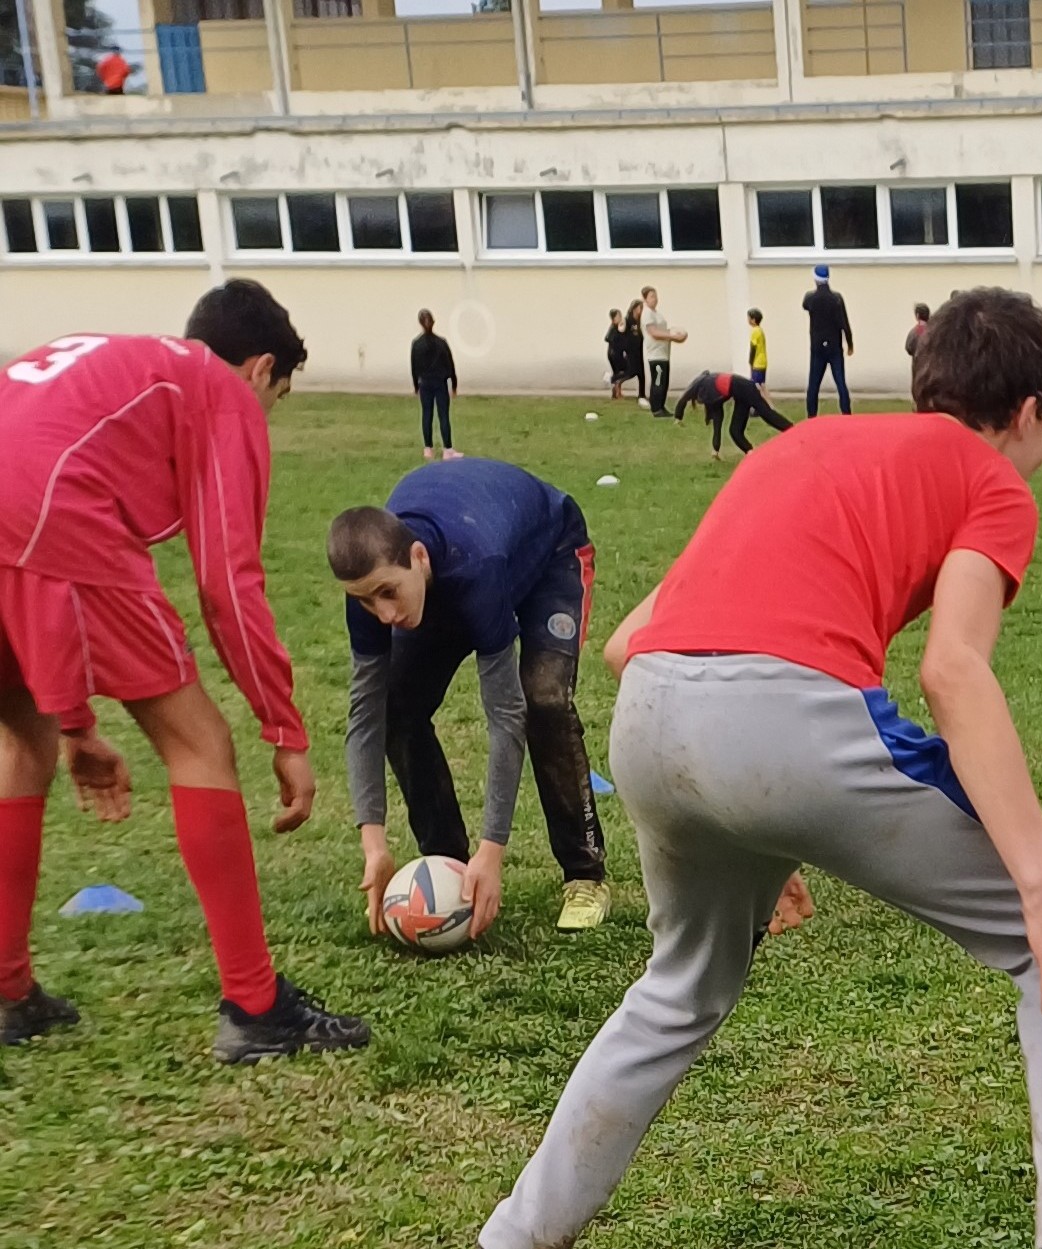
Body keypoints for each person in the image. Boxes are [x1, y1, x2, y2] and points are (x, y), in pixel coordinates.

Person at [441, 287, 1042, 1249]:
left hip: (651, 723)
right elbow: (954, 672)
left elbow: (624, 642)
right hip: (781, 721)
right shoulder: (994, 480)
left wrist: (757, 814)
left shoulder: (800, 446)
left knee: (676, 990)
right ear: (1034, 409)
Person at [0, 281, 369, 1062]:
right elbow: (225, 583)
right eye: (275, 399)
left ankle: (7, 991)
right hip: (52, 509)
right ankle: (256, 1006)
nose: (263, 419)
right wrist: (283, 726)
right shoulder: (218, 391)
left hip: (23, 496)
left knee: (20, 744)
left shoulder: (117, 358)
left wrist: (76, 722)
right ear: (260, 368)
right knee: (200, 743)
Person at [328, 459, 611, 938]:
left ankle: (584, 875)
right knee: (396, 707)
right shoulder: (373, 592)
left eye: (388, 593)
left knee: (542, 699)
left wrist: (493, 849)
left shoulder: (475, 569)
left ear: (417, 557)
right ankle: (450, 866)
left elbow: (505, 717)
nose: (384, 613)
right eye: (366, 600)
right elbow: (365, 718)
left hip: (549, 555)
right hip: (458, 567)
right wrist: (373, 844)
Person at [673, 370, 792, 460]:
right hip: (741, 394)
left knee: (767, 415)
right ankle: (752, 454)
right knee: (735, 431)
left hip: (746, 389)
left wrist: (678, 418)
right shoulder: (710, 387)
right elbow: (717, 421)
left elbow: (684, 398)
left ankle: (794, 431)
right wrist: (716, 450)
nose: (700, 403)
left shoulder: (706, 388)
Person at [802, 264, 854, 418]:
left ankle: (811, 415)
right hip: (834, 346)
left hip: (817, 346)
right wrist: (850, 343)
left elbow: (804, 305)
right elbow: (844, 322)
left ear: (816, 279)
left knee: (814, 384)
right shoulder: (836, 298)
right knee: (840, 382)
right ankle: (846, 412)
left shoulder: (810, 298)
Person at [411, 309, 460, 461]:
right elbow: (450, 365)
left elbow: (414, 367)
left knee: (427, 414)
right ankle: (448, 449)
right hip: (440, 383)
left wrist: (416, 386)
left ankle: (428, 448)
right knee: (443, 415)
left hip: (425, 383)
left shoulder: (416, 344)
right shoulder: (441, 343)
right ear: (433, 322)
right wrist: (454, 384)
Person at [639, 287, 685, 418]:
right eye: (652, 296)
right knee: (658, 381)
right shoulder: (647, 313)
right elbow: (653, 332)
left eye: (656, 296)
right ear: (645, 299)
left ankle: (661, 406)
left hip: (664, 352)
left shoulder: (656, 313)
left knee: (664, 381)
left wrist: (675, 333)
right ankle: (656, 408)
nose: (655, 299)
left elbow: (663, 330)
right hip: (656, 354)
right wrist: (672, 336)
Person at [605, 309, 636, 400]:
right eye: (618, 316)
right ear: (614, 319)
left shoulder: (620, 327)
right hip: (614, 354)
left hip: (616, 353)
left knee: (620, 372)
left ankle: (617, 392)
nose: (620, 318)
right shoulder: (614, 328)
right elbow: (608, 338)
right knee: (627, 370)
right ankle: (613, 382)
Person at [746, 308, 768, 386]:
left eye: (748, 318)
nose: (747, 320)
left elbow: (753, 348)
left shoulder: (754, 331)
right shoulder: (760, 330)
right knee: (762, 385)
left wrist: (750, 361)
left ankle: (760, 398)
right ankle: (765, 398)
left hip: (757, 363)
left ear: (753, 320)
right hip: (763, 362)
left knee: (755, 386)